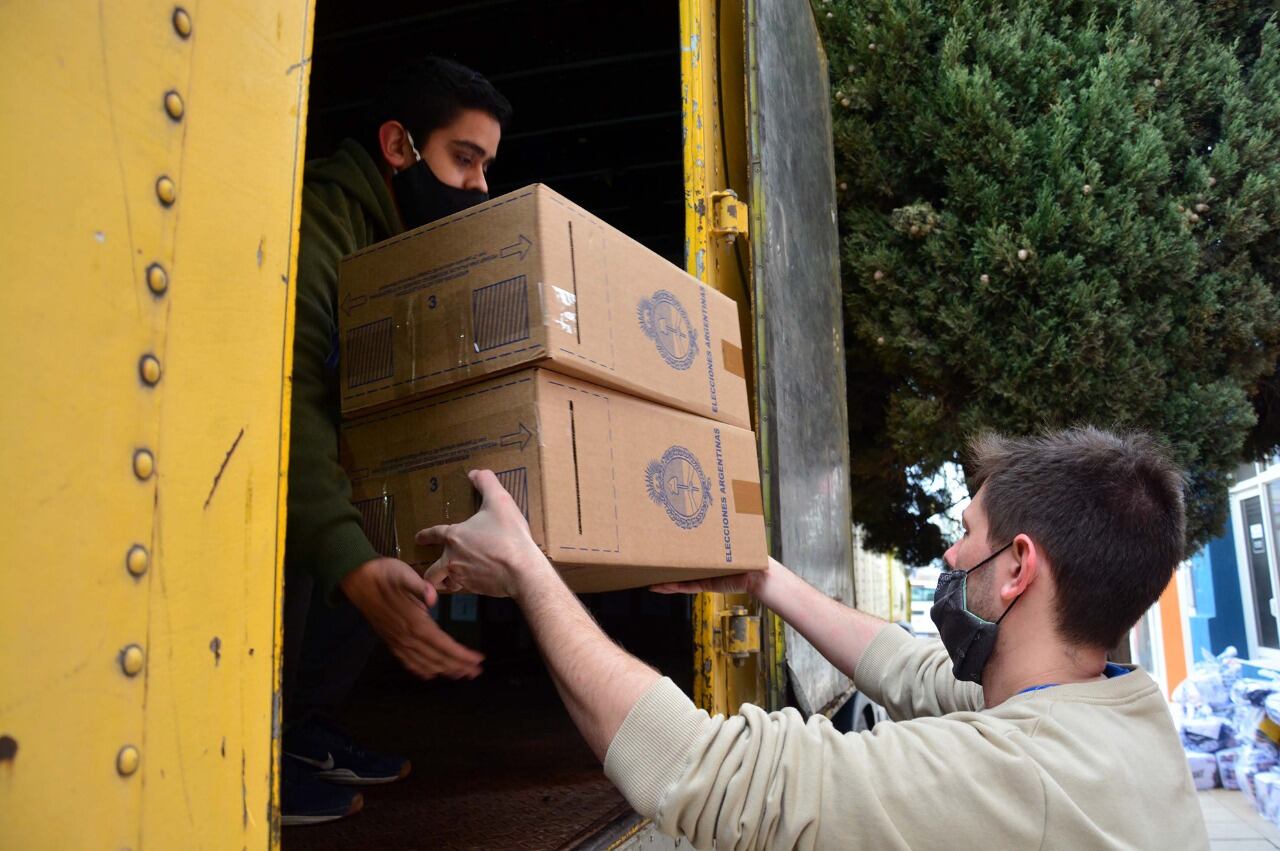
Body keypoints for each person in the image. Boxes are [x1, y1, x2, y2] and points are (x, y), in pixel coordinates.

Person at [419, 427, 1210, 849]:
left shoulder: (1027, 778)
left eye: (968, 534)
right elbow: (911, 669)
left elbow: (708, 776)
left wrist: (525, 564)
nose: (950, 553)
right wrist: (766, 579)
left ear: (1017, 570)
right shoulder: (1112, 713)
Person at [281, 57, 512, 825]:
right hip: (282, 466)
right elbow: (294, 393)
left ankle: (305, 730)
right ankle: (265, 745)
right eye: (465, 158)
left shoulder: (412, 246)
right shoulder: (325, 218)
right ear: (397, 145)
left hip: (342, 464)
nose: (479, 185)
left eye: (487, 165)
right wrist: (346, 557)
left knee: (398, 533)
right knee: (328, 546)